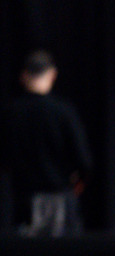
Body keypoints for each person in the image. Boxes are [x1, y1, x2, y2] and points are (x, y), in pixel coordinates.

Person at [0, 50, 91, 235]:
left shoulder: (10, 114)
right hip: (62, 203)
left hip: (24, 202)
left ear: (24, 76)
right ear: (52, 74)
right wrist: (77, 182)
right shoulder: (64, 112)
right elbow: (84, 161)